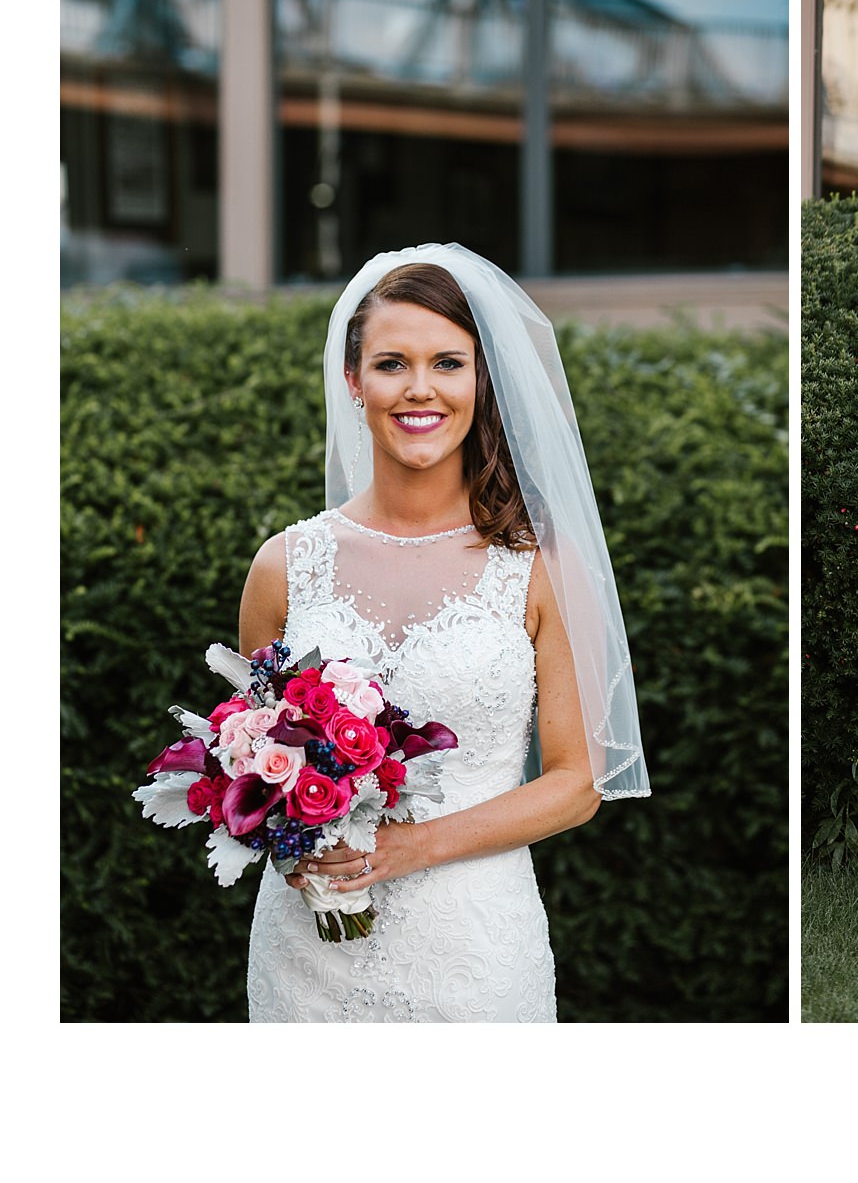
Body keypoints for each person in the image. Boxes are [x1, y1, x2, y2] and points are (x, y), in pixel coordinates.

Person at [239, 244, 649, 1022]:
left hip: (473, 949)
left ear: (481, 381)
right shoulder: (285, 566)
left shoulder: (539, 568)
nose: (419, 389)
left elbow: (577, 783)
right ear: (354, 381)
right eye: (392, 363)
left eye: (448, 363)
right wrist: (288, 842)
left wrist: (407, 849)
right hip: (304, 957)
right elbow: (256, 761)